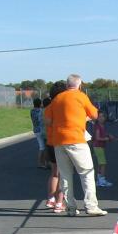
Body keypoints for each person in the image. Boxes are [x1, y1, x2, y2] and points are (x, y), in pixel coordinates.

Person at [43, 74, 107, 216]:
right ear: (80, 85)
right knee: (87, 173)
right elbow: (95, 115)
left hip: (59, 142)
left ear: (67, 85)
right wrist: (82, 118)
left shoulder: (57, 99)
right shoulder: (81, 96)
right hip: (77, 140)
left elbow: (47, 120)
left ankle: (71, 207)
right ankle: (91, 206)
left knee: (65, 175)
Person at [42, 87, 65, 212]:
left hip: (50, 142)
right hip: (60, 143)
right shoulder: (60, 108)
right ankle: (59, 203)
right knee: (63, 174)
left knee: (54, 173)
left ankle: (51, 198)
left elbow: (47, 122)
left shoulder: (48, 108)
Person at [92, 111, 114, 187]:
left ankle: (99, 180)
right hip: (98, 147)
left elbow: (104, 134)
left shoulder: (102, 126)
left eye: (103, 116)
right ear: (97, 118)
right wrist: (106, 139)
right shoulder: (98, 127)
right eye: (99, 117)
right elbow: (97, 138)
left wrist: (108, 135)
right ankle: (102, 180)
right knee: (103, 163)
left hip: (100, 147)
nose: (101, 118)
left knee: (100, 163)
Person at [30, 98, 47, 168]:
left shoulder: (32, 111)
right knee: (42, 147)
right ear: (40, 104)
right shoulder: (40, 111)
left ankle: (43, 163)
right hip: (40, 130)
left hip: (35, 129)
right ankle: (41, 163)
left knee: (42, 147)